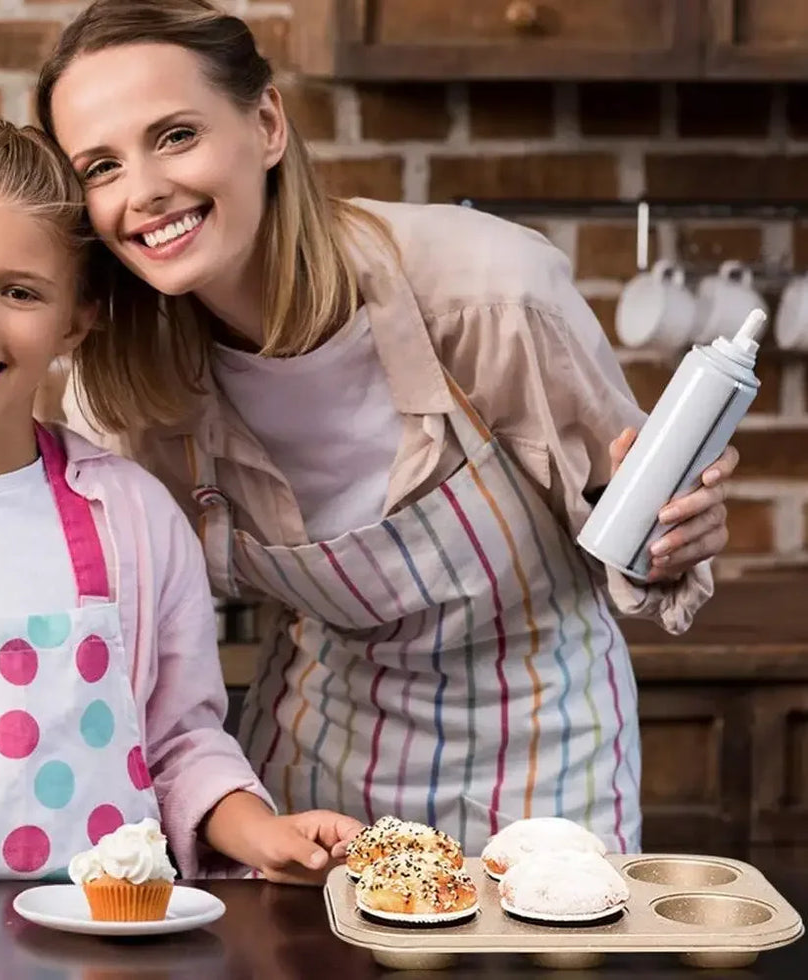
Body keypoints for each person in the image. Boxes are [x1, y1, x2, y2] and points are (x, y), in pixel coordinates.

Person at [37, 0, 738, 859]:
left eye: (176, 135)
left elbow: (634, 520)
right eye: (101, 166)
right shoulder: (126, 397)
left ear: (265, 124)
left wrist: (668, 539)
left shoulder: (492, 292)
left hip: (548, 763)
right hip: (312, 770)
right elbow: (123, 644)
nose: (142, 190)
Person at [0, 118, 362, 948]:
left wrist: (255, 826)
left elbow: (181, 740)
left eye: (20, 291)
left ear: (76, 322)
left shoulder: (137, 521)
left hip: (105, 954)